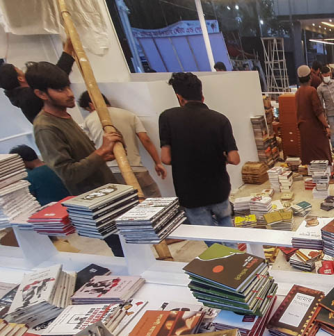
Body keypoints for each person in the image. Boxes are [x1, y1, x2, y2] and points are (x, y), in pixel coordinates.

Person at [25, 61, 125, 257]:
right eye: (60, 89)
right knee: (122, 249)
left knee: (134, 245)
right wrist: (100, 152)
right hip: (96, 204)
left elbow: (84, 159)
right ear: (41, 94)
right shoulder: (46, 127)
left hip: (110, 194)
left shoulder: (65, 118)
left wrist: (105, 154)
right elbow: (67, 173)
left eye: (68, 86)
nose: (70, 93)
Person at [159, 72, 240, 245]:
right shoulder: (220, 119)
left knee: (210, 238)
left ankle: (221, 259)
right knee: (227, 226)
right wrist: (218, 157)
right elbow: (234, 158)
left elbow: (165, 158)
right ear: (202, 97)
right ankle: (235, 256)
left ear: (179, 98)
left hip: (190, 192)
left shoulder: (167, 117)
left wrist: (185, 157)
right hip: (218, 188)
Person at [79, 92, 166, 198]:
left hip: (110, 172)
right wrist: (157, 163)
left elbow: (89, 147)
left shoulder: (88, 121)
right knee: (155, 199)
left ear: (91, 105)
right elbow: (145, 139)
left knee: (124, 204)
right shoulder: (129, 115)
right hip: (136, 168)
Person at [0, 40, 75, 122]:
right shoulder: (29, 96)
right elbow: (56, 79)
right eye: (19, 70)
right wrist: (68, 50)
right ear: (21, 79)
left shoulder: (20, 97)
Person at [295, 65, 332, 166]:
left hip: (303, 127)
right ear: (310, 78)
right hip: (314, 127)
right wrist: (326, 126)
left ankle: (310, 170)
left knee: (308, 153)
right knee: (322, 151)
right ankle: (323, 171)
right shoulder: (311, 90)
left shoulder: (298, 92)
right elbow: (318, 112)